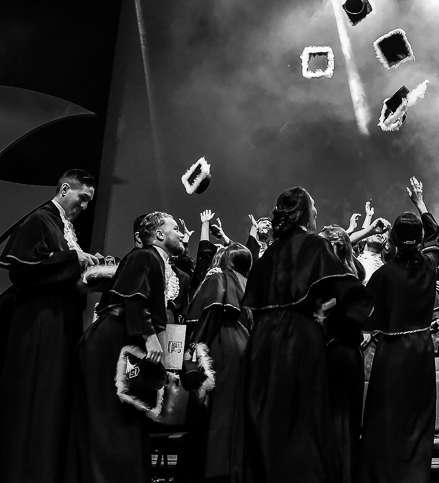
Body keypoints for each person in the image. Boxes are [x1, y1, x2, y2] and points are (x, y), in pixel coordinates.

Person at [234, 186, 370, 483]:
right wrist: (335, 325)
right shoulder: (314, 245)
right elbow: (354, 295)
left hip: (261, 342)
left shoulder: (268, 254)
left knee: (266, 418)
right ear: (304, 214)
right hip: (298, 338)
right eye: (313, 207)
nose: (316, 213)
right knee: (301, 420)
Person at [0, 169, 99, 483]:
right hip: (40, 321)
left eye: (89, 202)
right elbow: (22, 269)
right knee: (37, 394)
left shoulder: (63, 226)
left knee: (54, 397)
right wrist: (75, 261)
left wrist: (86, 264)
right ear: (65, 189)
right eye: (82, 198)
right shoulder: (40, 219)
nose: (84, 206)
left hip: (61, 319)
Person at [72, 211, 185, 483]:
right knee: (111, 421)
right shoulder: (146, 255)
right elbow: (134, 296)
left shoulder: (154, 260)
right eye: (175, 228)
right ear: (159, 235)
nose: (181, 234)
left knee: (122, 420)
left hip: (118, 338)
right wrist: (149, 336)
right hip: (112, 339)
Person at [358, 178, 439, 483]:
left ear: (392, 239)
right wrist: (420, 202)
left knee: (387, 412)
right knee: (417, 415)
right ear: (419, 239)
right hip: (421, 349)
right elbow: (435, 234)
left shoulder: (383, 275)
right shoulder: (430, 265)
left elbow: (361, 314)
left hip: (392, 352)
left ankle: (385, 474)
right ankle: (414, 474)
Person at [185, 241, 254, 483]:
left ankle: (216, 469)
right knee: (233, 408)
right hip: (242, 343)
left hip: (220, 341)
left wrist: (194, 347)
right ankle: (231, 467)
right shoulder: (247, 283)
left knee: (219, 409)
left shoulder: (220, 278)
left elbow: (211, 313)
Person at [317, 223, 370, 483]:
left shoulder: (339, 279)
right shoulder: (349, 274)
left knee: (337, 419)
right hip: (343, 352)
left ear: (335, 247)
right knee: (338, 421)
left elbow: (339, 317)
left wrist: (320, 314)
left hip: (335, 353)